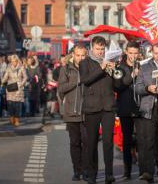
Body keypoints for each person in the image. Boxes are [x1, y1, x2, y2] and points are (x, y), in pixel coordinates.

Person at [79, 36, 117, 184]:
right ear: (91, 48)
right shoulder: (85, 63)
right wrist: (101, 68)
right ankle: (93, 175)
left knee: (108, 142)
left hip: (108, 107)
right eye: (98, 49)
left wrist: (114, 73)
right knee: (92, 142)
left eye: (102, 49)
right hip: (92, 107)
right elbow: (86, 80)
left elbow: (117, 86)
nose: (100, 52)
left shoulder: (110, 63)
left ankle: (109, 174)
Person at [134, 43, 158, 183]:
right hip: (148, 108)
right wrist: (147, 88)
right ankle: (148, 172)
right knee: (148, 142)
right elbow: (137, 88)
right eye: (156, 53)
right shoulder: (144, 67)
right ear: (152, 52)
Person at [58, 45, 89, 182]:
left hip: (87, 111)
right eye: (78, 55)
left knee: (87, 143)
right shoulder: (66, 69)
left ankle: (86, 170)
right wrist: (76, 82)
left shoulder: (89, 68)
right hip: (71, 111)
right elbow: (61, 89)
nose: (81, 58)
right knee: (75, 143)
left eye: (83, 55)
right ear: (73, 55)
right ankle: (77, 170)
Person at [114, 41, 138, 180]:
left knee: (143, 140)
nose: (133, 56)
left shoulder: (142, 65)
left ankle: (145, 170)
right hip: (125, 108)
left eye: (135, 53)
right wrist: (132, 76)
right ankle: (127, 172)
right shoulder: (120, 67)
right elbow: (118, 86)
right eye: (131, 53)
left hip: (140, 108)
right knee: (127, 141)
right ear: (126, 52)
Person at [1, 55, 28, 127]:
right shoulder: (8, 68)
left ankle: (17, 119)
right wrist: (2, 81)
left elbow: (25, 77)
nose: (14, 62)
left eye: (15, 61)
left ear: (17, 61)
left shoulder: (21, 67)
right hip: (10, 89)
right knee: (10, 105)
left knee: (18, 105)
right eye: (12, 61)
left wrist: (21, 84)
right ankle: (11, 116)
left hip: (19, 89)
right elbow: (5, 77)